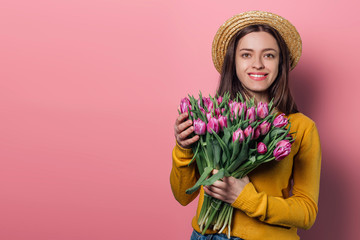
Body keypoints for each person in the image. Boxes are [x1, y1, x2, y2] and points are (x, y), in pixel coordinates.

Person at [170, 11, 321, 240]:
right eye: (246, 54)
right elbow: (182, 196)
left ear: (281, 63)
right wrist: (183, 147)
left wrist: (245, 198)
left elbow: (307, 213)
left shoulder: (300, 127)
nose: (257, 64)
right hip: (202, 235)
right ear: (233, 61)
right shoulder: (212, 118)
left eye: (269, 55)